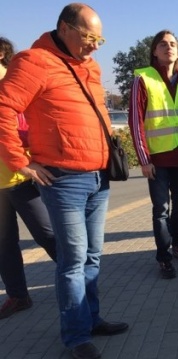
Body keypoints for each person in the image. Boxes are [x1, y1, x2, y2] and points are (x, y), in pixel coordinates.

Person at [0, 4, 128, 358]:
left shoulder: (91, 66)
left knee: (92, 257)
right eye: (89, 37)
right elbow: (3, 107)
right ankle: (75, 337)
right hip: (63, 181)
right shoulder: (32, 61)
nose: (95, 45)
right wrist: (19, 161)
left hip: (98, 177)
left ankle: (92, 319)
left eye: (99, 38)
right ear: (64, 28)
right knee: (72, 261)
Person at [128, 30, 178, 279]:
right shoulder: (143, 79)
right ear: (154, 51)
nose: (168, 47)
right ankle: (164, 256)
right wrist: (144, 159)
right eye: (163, 44)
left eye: (173, 44)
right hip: (157, 160)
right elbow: (136, 122)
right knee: (161, 210)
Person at [0, 37, 57, 320]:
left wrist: (28, 159)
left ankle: (80, 278)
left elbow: (28, 125)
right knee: (3, 244)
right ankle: (18, 296)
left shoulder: (12, 80)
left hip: (19, 175)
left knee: (46, 233)